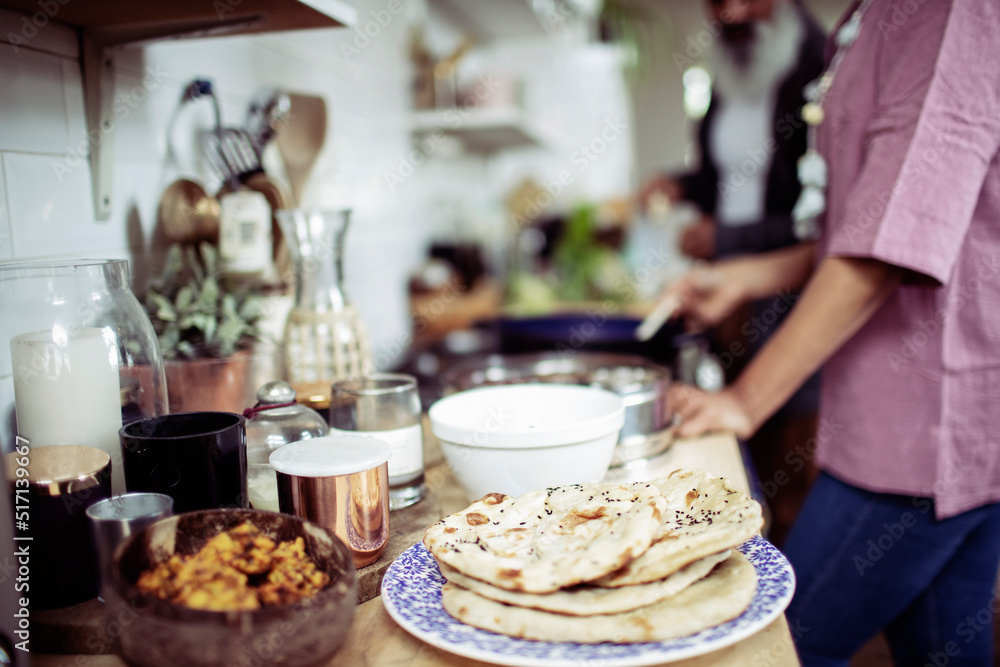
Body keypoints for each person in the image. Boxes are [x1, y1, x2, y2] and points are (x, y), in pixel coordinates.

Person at [666, 0, 1000, 664]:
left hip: (925, 428)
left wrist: (743, 400)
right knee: (944, 645)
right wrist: (744, 277)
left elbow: (884, 248)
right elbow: (857, 225)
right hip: (915, 422)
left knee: (773, 647)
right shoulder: (867, 18)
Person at [640, 0, 825, 262]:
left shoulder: (820, 76)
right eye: (718, 2)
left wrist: (729, 238)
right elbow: (731, 176)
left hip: (786, 283)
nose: (734, 14)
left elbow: (822, 214)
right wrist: (679, 186)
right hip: (725, 277)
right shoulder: (732, 72)